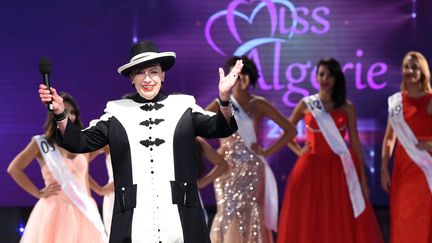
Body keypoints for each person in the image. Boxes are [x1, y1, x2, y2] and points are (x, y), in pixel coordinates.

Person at [38, 40, 243, 243]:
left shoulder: (183, 106)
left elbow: (220, 126)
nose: (148, 79)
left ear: (163, 76)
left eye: (153, 72)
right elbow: (79, 142)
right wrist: (60, 113)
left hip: (180, 215)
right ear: (131, 78)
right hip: (134, 221)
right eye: (140, 72)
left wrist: (224, 99)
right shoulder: (116, 112)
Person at [277, 58, 384, 243]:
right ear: (316, 77)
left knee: (337, 217)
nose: (325, 78)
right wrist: (298, 150)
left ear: (336, 79)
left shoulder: (347, 107)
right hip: (309, 168)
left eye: (330, 75)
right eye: (321, 74)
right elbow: (286, 131)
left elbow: (356, 144)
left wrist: (363, 178)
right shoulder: (306, 103)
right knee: (309, 216)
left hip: (339, 168)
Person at [206, 56, 296, 243]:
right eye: (236, 74)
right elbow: (194, 130)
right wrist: (215, 153)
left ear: (251, 76)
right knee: (227, 213)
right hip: (226, 169)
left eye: (244, 73)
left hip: (252, 170)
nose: (240, 78)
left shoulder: (259, 104)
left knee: (251, 213)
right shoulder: (220, 104)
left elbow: (291, 130)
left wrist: (267, 151)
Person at [7, 92, 108, 243]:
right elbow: (14, 169)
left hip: (84, 210)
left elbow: (85, 174)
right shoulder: (41, 143)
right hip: (53, 211)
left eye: (73, 112)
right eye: (66, 111)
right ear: (54, 113)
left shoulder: (83, 143)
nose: (70, 116)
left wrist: (100, 189)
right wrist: (37, 192)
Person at [381, 51, 432, 243]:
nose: (409, 71)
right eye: (406, 67)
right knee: (402, 219)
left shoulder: (430, 100)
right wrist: (384, 168)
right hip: (402, 172)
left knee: (424, 222)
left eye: (414, 67)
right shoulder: (396, 103)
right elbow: (389, 138)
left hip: (426, 174)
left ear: (423, 72)